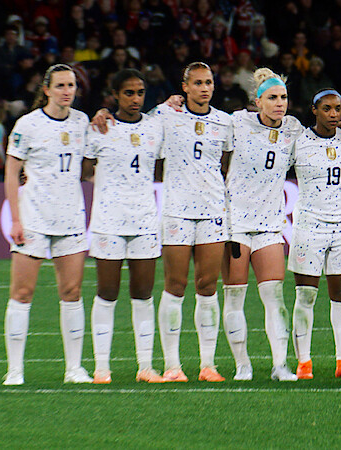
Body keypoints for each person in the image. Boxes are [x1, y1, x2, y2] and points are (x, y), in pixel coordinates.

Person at [95, 62, 234, 382]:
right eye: (197, 83)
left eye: (209, 82)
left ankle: (208, 365)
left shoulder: (224, 123)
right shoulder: (163, 115)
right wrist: (103, 111)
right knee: (175, 286)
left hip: (213, 210)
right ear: (184, 87)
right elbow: (128, 121)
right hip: (175, 210)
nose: (204, 88)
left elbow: (225, 164)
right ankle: (172, 365)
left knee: (208, 286)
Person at [3, 64, 92, 385]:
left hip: (70, 219)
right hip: (34, 219)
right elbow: (12, 173)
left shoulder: (83, 122)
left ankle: (74, 369)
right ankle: (15, 370)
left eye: (71, 85)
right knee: (22, 293)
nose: (67, 91)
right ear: (47, 90)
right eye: (61, 86)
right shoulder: (27, 125)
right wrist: (15, 218)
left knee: (71, 292)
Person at [82, 69, 165, 384]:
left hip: (144, 220)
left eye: (140, 92)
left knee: (143, 294)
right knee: (107, 292)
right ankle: (102, 368)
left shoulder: (155, 129)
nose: (135, 99)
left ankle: (146, 367)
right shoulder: (100, 129)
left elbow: (159, 167)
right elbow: (85, 169)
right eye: (129, 93)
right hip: (108, 221)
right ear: (115, 94)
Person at [224, 68, 302, 382]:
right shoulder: (236, 123)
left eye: (283, 97)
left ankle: (280, 365)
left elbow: (323, 137)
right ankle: (243, 365)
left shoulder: (293, 128)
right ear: (258, 102)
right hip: (235, 225)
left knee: (274, 297)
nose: (279, 103)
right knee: (234, 297)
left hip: (270, 224)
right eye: (272, 98)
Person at [288, 89, 341, 380]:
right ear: (314, 110)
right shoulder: (298, 142)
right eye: (327, 109)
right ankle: (304, 362)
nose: (333, 114)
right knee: (306, 295)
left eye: (338, 108)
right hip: (309, 226)